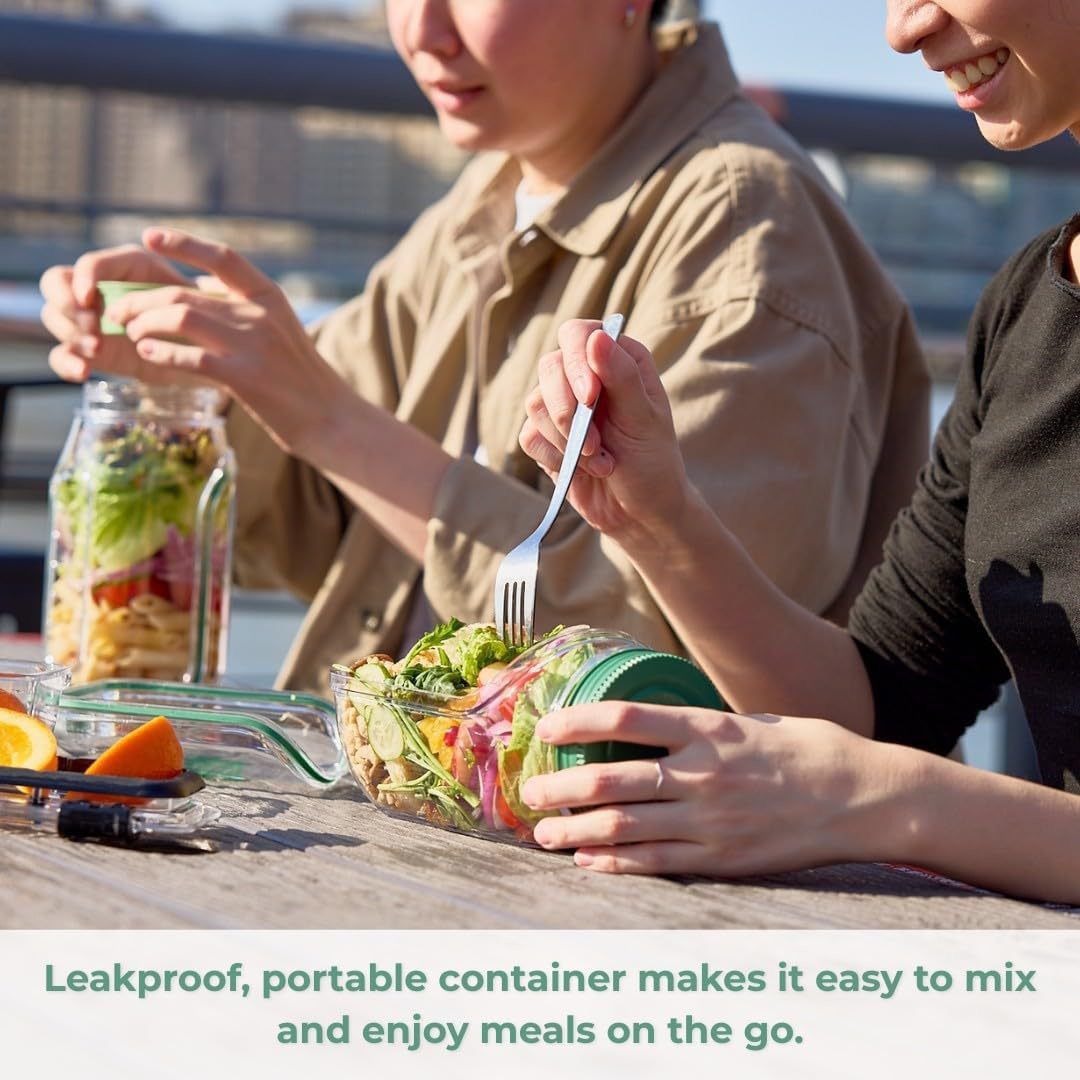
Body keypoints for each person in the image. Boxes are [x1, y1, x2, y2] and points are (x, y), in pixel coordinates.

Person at [38, 0, 928, 694]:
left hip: (636, 871)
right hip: (449, 808)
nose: (421, 31)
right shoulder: (494, 194)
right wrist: (194, 379)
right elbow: (316, 529)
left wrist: (327, 419)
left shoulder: (748, 231)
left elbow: (675, 658)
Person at [515, 0, 1080, 903]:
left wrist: (882, 798)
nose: (904, 29)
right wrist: (656, 520)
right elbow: (878, 708)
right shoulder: (1026, 307)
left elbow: (877, 768)